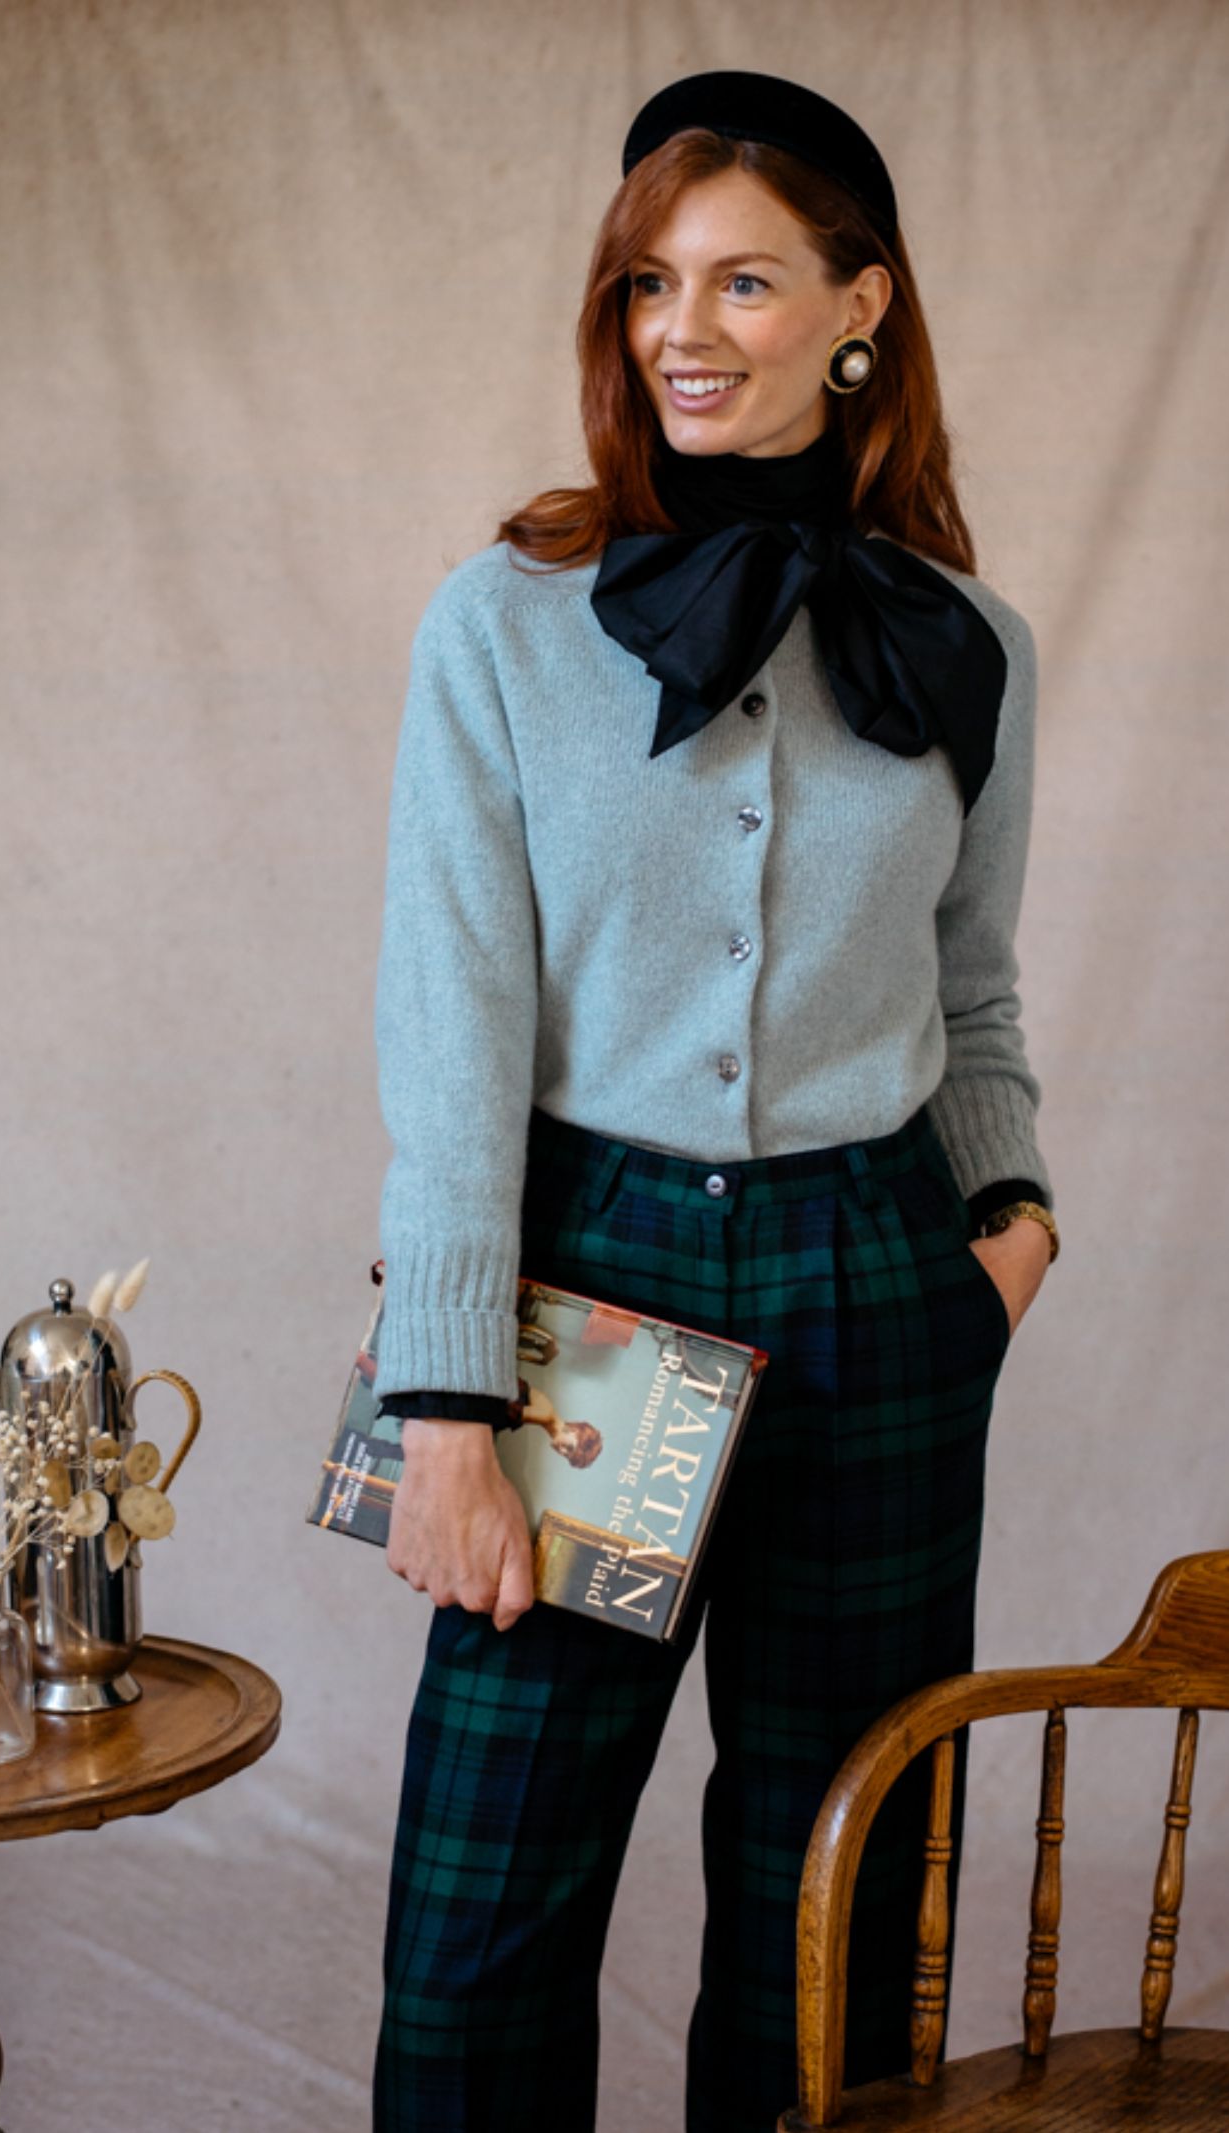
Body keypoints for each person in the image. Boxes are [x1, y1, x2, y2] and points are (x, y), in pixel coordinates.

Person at [367, 69, 1061, 2133]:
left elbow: (972, 986)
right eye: (648, 282)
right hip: (587, 1280)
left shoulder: (963, 646)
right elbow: (452, 1020)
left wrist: (1003, 1231)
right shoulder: (503, 621)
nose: (681, 326)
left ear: (859, 306)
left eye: (744, 279)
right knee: (483, 1918)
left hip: (880, 1278)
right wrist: (443, 1401)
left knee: (834, 1894)